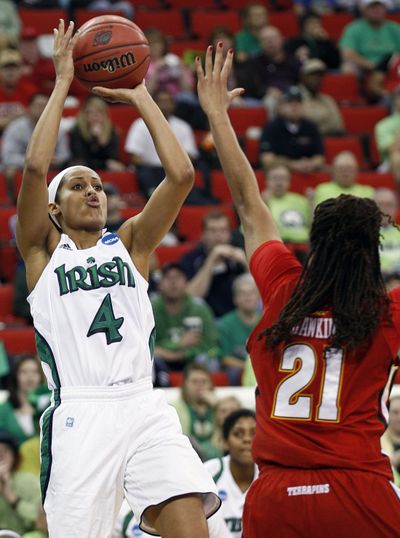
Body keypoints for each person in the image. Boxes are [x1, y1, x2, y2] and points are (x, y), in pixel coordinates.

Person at [16, 21, 219, 538]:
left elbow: (182, 177)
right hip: (81, 414)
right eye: (79, 186)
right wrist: (63, 82)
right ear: (54, 210)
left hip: (143, 405)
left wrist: (140, 94)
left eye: (100, 186)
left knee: (190, 525)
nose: (93, 192)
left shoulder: (130, 244)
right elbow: (36, 168)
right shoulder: (42, 253)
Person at [196, 42, 400, 537]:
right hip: (359, 490)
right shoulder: (386, 312)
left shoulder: (282, 288)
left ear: (315, 245)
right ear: (371, 253)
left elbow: (248, 203)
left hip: (276, 497)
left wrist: (218, 117)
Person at [125, 88, 199, 198]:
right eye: (161, 101)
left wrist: (173, 167)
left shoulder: (183, 127)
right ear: (154, 103)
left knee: (188, 174)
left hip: (175, 170)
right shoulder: (140, 125)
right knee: (144, 174)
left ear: (174, 105)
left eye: (168, 101)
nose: (165, 105)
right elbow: (135, 156)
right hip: (150, 170)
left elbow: (191, 155)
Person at [151, 261, 219, 373]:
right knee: (151, 360)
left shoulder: (199, 308)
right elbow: (147, 345)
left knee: (209, 360)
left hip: (193, 359)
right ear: (160, 284)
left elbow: (210, 345)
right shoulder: (150, 309)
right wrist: (179, 344)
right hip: (162, 360)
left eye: (178, 278)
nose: (173, 283)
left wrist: (182, 354)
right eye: (168, 278)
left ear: (186, 283)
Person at [1, 92, 70, 202]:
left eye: (45, 105)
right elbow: (8, 157)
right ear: (29, 108)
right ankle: (13, 203)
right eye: (38, 105)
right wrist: (35, 161)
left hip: (50, 167)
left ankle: (60, 201)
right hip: (23, 167)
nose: (41, 109)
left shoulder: (58, 127)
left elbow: (65, 155)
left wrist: (55, 160)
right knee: (9, 171)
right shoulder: (15, 128)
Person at [179, 210, 247, 318]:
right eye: (212, 230)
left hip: (236, 318)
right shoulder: (191, 259)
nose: (218, 235)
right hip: (204, 319)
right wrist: (211, 260)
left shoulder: (239, 255)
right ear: (203, 235)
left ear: (229, 234)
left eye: (223, 230)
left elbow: (258, 296)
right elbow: (191, 298)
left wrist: (246, 263)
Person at [205, 410, 258, 538]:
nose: (247, 439)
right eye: (238, 434)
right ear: (224, 442)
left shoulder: (269, 476)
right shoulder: (208, 472)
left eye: (254, 433)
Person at [260, 86, 325, 174]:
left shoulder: (311, 127)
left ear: (303, 106)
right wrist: (293, 165)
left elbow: (320, 158)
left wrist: (310, 164)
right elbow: (266, 159)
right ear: (282, 106)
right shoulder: (271, 127)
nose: (294, 106)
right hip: (279, 175)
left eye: (298, 102)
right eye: (290, 102)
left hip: (307, 174)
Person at [217, 274, 260, 385]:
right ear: (235, 299)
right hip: (237, 370)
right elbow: (225, 359)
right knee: (234, 372)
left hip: (262, 366)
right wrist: (248, 367)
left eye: (251, 293)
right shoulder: (225, 324)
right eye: (242, 294)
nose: (247, 297)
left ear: (259, 297)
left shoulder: (268, 320)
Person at [172, 363, 220, 461]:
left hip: (217, 458)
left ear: (210, 384)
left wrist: (217, 407)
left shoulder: (217, 404)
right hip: (188, 458)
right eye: (194, 382)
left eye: (204, 382)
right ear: (185, 384)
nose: (199, 386)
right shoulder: (175, 408)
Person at [340, 0, 400, 74]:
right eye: (372, 7)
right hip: (364, 66)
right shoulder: (353, 29)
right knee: (348, 68)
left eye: (380, 7)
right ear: (363, 9)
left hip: (391, 66)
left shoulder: (395, 28)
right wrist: (374, 66)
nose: (376, 10)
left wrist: (390, 65)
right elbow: (347, 54)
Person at [0, 431, 42, 536]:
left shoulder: (28, 481)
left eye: (5, 451)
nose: (1, 456)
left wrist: (12, 498)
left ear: (14, 456)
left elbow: (39, 519)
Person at [69, 95, 125, 172]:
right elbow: (79, 156)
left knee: (116, 166)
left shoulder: (112, 130)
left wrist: (101, 142)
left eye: (99, 112)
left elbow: (113, 158)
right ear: (85, 115)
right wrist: (91, 140)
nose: (95, 116)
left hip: (103, 167)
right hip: (83, 167)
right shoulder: (77, 130)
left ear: (105, 115)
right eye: (91, 113)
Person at [0, 355, 44, 446]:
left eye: (35, 372)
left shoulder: (46, 406)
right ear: (15, 375)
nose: (30, 376)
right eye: (24, 371)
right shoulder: (3, 409)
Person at [299, 59, 345, 136]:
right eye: (313, 75)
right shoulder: (295, 99)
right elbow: (300, 126)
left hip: (329, 139)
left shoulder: (328, 99)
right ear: (303, 77)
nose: (317, 79)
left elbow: (338, 125)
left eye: (320, 76)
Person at [374, 187, 400, 276]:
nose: (384, 209)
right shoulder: (362, 234)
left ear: (396, 208)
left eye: (389, 205)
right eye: (380, 204)